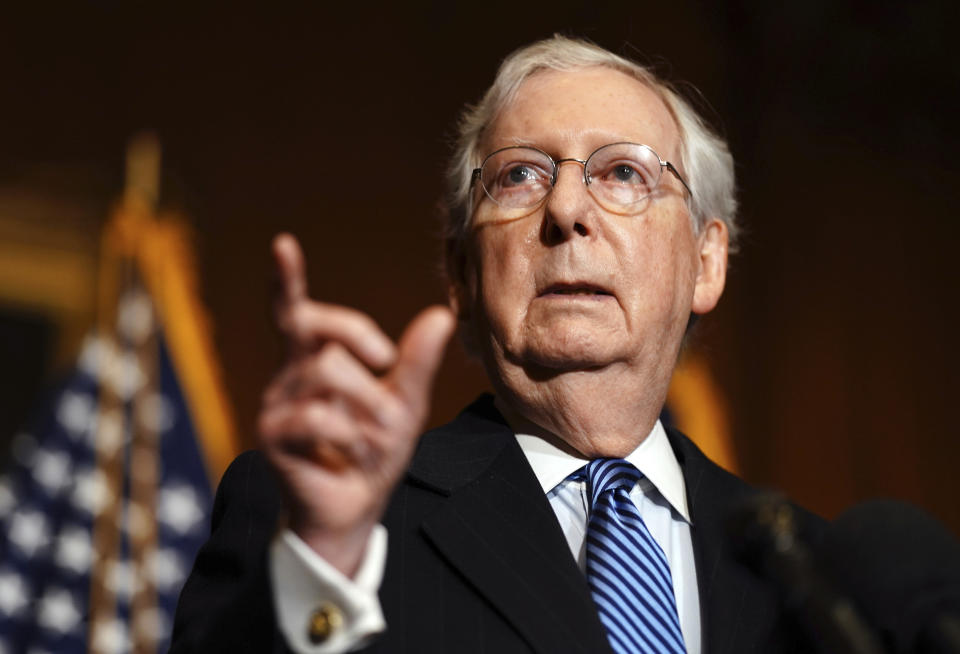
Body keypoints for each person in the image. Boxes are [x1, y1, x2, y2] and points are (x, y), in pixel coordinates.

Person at [171, 35, 823, 654]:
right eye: (519, 177)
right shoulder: (320, 524)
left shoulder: (815, 574)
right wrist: (323, 566)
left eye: (623, 171)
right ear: (460, 271)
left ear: (706, 263)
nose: (566, 208)